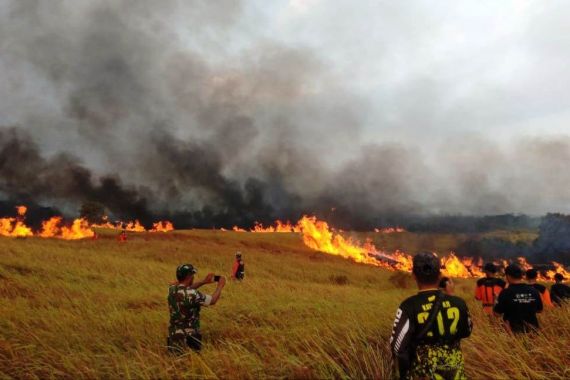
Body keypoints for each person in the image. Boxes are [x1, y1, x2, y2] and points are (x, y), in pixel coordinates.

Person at [390, 252, 472, 380]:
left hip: (423, 374)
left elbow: (398, 347)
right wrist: (450, 298)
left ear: (414, 276)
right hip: (455, 372)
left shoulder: (408, 306)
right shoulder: (459, 303)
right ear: (440, 275)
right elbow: (467, 331)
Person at [167, 264, 226, 353]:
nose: (193, 277)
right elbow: (212, 300)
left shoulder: (172, 289)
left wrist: (204, 281)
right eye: (192, 275)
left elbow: (186, 290)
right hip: (190, 337)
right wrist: (220, 285)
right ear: (189, 276)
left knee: (175, 364)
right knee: (192, 363)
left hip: (173, 335)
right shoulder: (193, 294)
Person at [494, 264, 543, 333]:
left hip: (512, 333)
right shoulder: (534, 291)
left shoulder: (505, 292)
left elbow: (497, 314)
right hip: (533, 331)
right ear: (521, 276)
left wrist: (496, 300)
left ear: (508, 276)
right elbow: (539, 310)